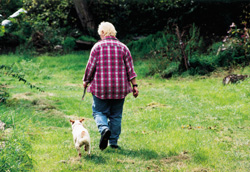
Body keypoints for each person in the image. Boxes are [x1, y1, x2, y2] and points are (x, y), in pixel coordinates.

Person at [82, 21, 139, 150]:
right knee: (116, 115)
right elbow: (130, 69)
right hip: (120, 88)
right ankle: (113, 142)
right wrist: (134, 86)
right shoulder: (123, 47)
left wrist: (86, 80)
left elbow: (90, 67)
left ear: (103, 32)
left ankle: (104, 129)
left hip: (101, 88)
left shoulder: (97, 47)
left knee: (98, 111)